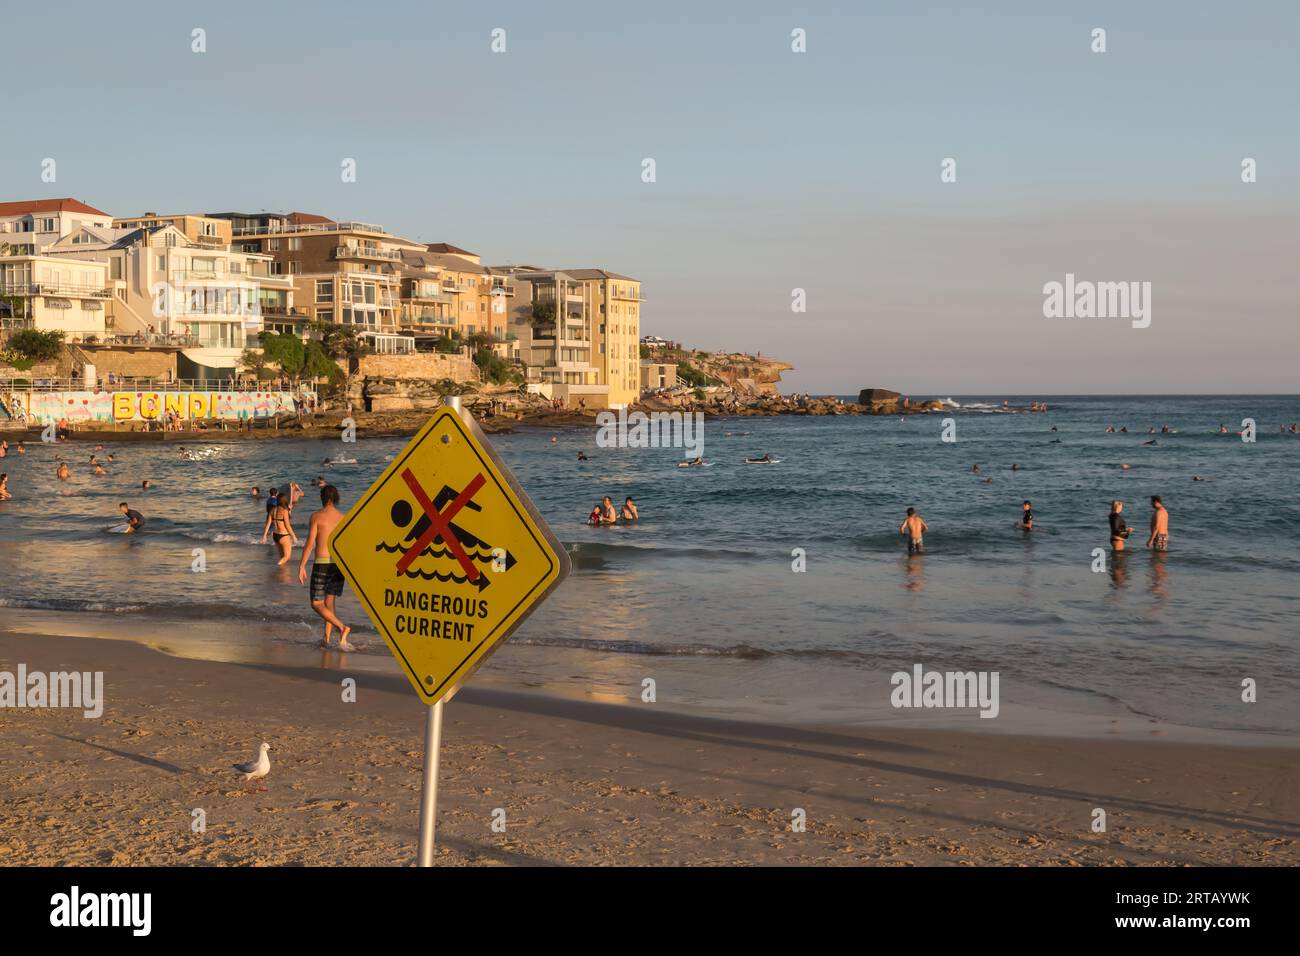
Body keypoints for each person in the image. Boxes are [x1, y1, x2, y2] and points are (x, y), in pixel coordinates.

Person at [298, 484, 352, 650]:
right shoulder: (343, 518)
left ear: (322, 498)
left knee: (316, 603)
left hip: (322, 564)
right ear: (336, 498)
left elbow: (309, 544)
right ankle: (326, 639)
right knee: (329, 603)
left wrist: (302, 566)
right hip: (338, 564)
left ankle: (342, 627)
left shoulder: (317, 517)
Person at [262, 491, 297, 565]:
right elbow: (287, 525)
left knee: (282, 556)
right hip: (283, 535)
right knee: (287, 557)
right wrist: (293, 536)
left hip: (275, 535)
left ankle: (281, 573)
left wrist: (264, 535)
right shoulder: (284, 510)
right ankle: (277, 565)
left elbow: (268, 524)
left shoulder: (273, 510)